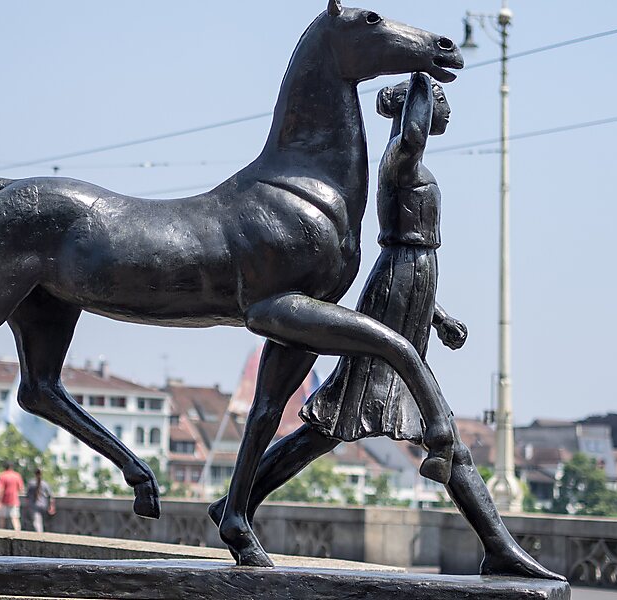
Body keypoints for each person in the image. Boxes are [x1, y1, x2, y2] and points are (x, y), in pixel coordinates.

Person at [210, 73, 563, 581]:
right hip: (398, 287)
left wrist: (437, 316)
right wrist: (421, 69)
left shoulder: (407, 162)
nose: (444, 112)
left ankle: (233, 504)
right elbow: (413, 146)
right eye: (437, 103)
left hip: (410, 289)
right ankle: (498, 544)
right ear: (415, 110)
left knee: (327, 430)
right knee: (430, 430)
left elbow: (412, 256)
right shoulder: (402, 154)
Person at [0, 461, 24, 531]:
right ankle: (18, 534)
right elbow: (21, 489)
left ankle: (0, 535)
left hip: (4, 500)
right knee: (15, 518)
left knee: (2, 519)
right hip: (14, 500)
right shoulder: (17, 476)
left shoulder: (2, 476)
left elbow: (1, 489)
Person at [26, 468, 56, 533]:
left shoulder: (31, 483)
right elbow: (51, 496)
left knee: (37, 522)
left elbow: (28, 495)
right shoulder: (45, 484)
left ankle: (39, 535)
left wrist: (28, 504)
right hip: (44, 505)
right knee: (43, 522)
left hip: (34, 505)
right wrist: (52, 506)